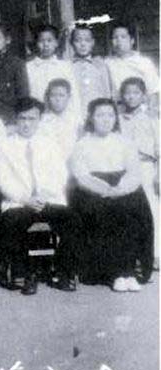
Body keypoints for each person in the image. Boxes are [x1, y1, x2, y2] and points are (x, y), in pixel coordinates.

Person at [0, 97, 80, 295]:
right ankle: (27, 275)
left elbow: (60, 175)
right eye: (22, 118)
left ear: (39, 119)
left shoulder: (50, 144)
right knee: (12, 222)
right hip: (19, 202)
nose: (26, 124)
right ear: (15, 119)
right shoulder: (4, 146)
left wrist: (43, 196)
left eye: (32, 119)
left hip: (48, 200)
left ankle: (63, 272)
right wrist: (26, 199)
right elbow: (2, 180)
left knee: (73, 220)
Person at [69, 98, 153, 291]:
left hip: (123, 187)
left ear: (115, 118)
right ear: (91, 118)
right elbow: (82, 175)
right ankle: (116, 273)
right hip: (93, 191)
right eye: (100, 115)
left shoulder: (125, 142)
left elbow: (134, 172)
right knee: (109, 212)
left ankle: (131, 271)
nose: (106, 120)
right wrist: (105, 190)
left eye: (110, 115)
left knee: (136, 209)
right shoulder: (82, 144)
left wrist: (120, 189)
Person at [118, 77, 159, 266]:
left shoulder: (152, 118)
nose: (131, 97)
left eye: (136, 93)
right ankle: (131, 255)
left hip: (146, 167)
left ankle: (155, 254)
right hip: (125, 169)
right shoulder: (118, 119)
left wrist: (158, 174)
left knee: (151, 209)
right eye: (127, 93)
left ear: (143, 96)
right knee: (127, 210)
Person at [27, 24, 79, 114]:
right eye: (41, 41)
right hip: (37, 115)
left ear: (56, 43)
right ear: (36, 43)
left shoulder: (65, 66)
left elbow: (74, 94)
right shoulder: (29, 67)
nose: (46, 45)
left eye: (49, 41)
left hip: (62, 115)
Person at [105, 23, 160, 110]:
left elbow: (154, 91)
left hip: (141, 109)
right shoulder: (107, 63)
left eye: (123, 37)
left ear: (132, 41)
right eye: (115, 38)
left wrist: (150, 111)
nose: (119, 41)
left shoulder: (144, 62)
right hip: (117, 109)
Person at [70, 25, 114, 117]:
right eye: (78, 40)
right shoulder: (67, 67)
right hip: (74, 115)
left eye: (87, 40)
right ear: (72, 43)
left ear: (93, 42)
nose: (83, 44)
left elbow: (107, 93)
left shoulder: (101, 66)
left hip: (97, 115)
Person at [39, 79, 81, 161]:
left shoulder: (75, 120)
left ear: (69, 97)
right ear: (48, 97)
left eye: (61, 95)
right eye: (53, 95)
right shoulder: (42, 121)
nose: (57, 99)